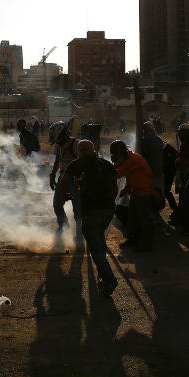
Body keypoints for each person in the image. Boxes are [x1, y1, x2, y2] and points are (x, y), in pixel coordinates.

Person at [58, 140, 119, 296]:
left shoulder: (76, 164)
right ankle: (103, 273)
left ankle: (108, 278)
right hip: (108, 210)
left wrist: (65, 195)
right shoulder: (106, 164)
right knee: (99, 238)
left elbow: (63, 182)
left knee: (95, 246)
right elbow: (115, 187)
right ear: (93, 149)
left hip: (91, 210)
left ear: (79, 151)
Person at [110, 140, 157, 251]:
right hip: (136, 191)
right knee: (133, 217)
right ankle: (134, 239)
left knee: (143, 219)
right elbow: (129, 176)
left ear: (123, 154)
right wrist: (124, 191)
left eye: (117, 156)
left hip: (145, 192)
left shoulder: (133, 160)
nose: (116, 158)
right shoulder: (127, 159)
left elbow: (117, 174)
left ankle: (146, 244)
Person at [48, 121, 82, 235]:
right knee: (57, 204)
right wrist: (52, 175)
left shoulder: (77, 145)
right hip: (62, 178)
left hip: (76, 180)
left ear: (63, 135)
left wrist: (80, 182)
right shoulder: (58, 145)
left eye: (57, 139)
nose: (56, 142)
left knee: (78, 209)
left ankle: (79, 234)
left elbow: (83, 165)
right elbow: (57, 160)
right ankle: (63, 225)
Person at [141, 121, 166, 204]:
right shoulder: (159, 140)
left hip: (148, 171)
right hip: (158, 169)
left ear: (146, 131)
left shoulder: (144, 141)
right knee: (158, 192)